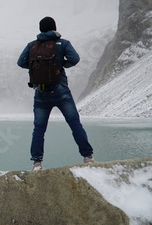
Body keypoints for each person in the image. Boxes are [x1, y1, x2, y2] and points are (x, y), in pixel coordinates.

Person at [17, 17, 94, 171]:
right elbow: (75, 59)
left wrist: (37, 68)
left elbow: (21, 62)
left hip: (41, 91)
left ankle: (37, 163)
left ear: (40, 29)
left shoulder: (32, 45)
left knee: (39, 128)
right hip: (60, 89)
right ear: (54, 27)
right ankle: (88, 157)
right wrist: (60, 65)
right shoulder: (63, 43)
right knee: (74, 123)